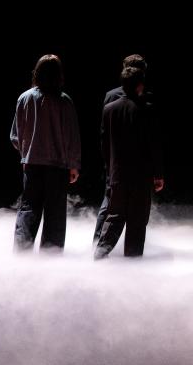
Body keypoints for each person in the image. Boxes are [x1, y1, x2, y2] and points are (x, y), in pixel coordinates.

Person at [10, 54, 81, 252]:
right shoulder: (64, 101)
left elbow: (15, 135)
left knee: (28, 210)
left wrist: (26, 152)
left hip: (32, 165)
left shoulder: (24, 98)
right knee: (55, 215)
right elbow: (72, 137)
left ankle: (21, 254)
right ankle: (51, 258)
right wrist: (74, 165)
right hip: (57, 167)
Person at [94, 65, 164, 259]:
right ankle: (132, 263)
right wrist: (158, 174)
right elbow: (154, 145)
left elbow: (104, 143)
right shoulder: (147, 110)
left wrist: (110, 168)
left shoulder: (109, 109)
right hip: (141, 176)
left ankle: (99, 255)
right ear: (140, 85)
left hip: (117, 174)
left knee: (114, 217)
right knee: (137, 221)